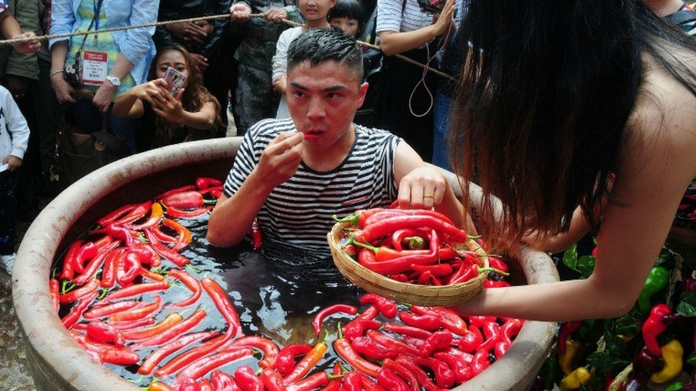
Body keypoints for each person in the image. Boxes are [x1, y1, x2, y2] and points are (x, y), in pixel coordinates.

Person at [448, 0, 696, 321]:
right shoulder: (611, 62)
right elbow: (562, 228)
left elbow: (612, 293)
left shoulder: (663, 117)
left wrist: (459, 299)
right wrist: (450, 185)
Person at [207, 28, 471, 279]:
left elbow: (472, 246)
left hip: (358, 289)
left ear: (360, 96)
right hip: (269, 272)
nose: (314, 112)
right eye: (299, 93)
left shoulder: (387, 155)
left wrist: (442, 190)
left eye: (332, 95)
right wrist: (261, 180)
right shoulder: (263, 139)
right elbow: (218, 237)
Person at [49, 0, 158, 153]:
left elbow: (140, 36)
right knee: (83, 150)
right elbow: (60, 23)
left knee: (122, 150)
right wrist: (56, 73)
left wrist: (111, 83)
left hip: (123, 80)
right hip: (78, 77)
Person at [374, 0, 456, 162]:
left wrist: (447, 25)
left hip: (433, 80)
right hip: (396, 80)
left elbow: (454, 43)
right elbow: (387, 43)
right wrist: (434, 29)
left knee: (424, 145)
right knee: (392, 145)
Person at [114, 46, 222, 151]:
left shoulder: (202, 98)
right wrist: (133, 92)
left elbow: (207, 120)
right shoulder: (149, 99)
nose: (173, 74)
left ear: (190, 72)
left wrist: (181, 116)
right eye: (164, 68)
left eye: (180, 68)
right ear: (155, 73)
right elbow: (119, 112)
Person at [154, 0, 233, 138]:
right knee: (161, 113)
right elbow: (147, 16)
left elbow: (224, 16)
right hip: (167, 53)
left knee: (214, 116)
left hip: (212, 57)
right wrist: (168, 23)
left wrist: (211, 29)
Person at [228, 0, 304, 135]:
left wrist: (288, 12)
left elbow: (317, 10)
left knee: (284, 123)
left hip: (293, 61)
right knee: (248, 122)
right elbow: (238, 4)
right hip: (252, 60)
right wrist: (242, 8)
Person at [272, 0, 335, 119]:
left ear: (332, 2)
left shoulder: (339, 40)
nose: (311, 3)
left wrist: (297, 92)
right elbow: (279, 78)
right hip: (289, 115)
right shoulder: (287, 36)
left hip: (325, 115)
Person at [0, 84, 31, 275]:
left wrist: (17, 152)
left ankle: (6, 252)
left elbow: (20, 126)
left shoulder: (2, 94)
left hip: (3, 169)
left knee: (6, 213)